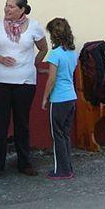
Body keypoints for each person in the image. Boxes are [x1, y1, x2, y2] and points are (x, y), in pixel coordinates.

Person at [0, 0, 48, 179]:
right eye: (6, 5)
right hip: (0, 82)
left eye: (11, 6)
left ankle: (24, 162)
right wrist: (1, 58)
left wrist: (34, 64)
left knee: (22, 124)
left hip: (25, 82)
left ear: (21, 10)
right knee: (0, 125)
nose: (7, 9)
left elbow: (44, 48)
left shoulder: (34, 26)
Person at [41, 18, 78, 180]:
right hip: (71, 97)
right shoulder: (72, 53)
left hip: (58, 99)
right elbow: (65, 73)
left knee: (57, 136)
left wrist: (44, 98)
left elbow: (52, 80)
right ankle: (68, 166)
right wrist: (48, 72)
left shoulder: (54, 54)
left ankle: (62, 170)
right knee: (65, 134)